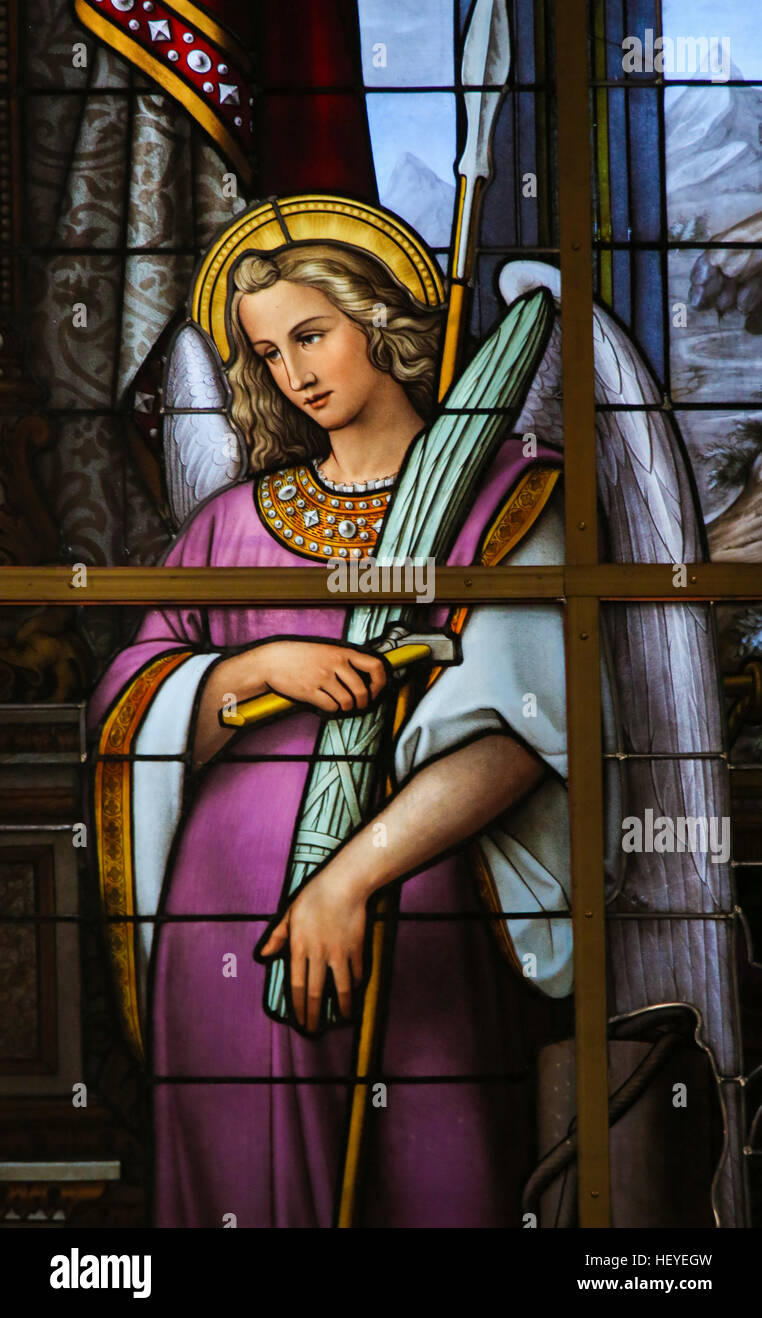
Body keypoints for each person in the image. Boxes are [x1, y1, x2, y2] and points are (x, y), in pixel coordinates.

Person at [88, 202, 572, 1228]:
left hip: (405, 916)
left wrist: (347, 879)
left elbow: (525, 727)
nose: (293, 373)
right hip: (220, 933)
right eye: (267, 353)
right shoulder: (226, 526)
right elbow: (126, 703)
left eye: (311, 334)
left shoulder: (502, 503)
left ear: (382, 322)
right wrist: (258, 666)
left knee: (424, 1178)